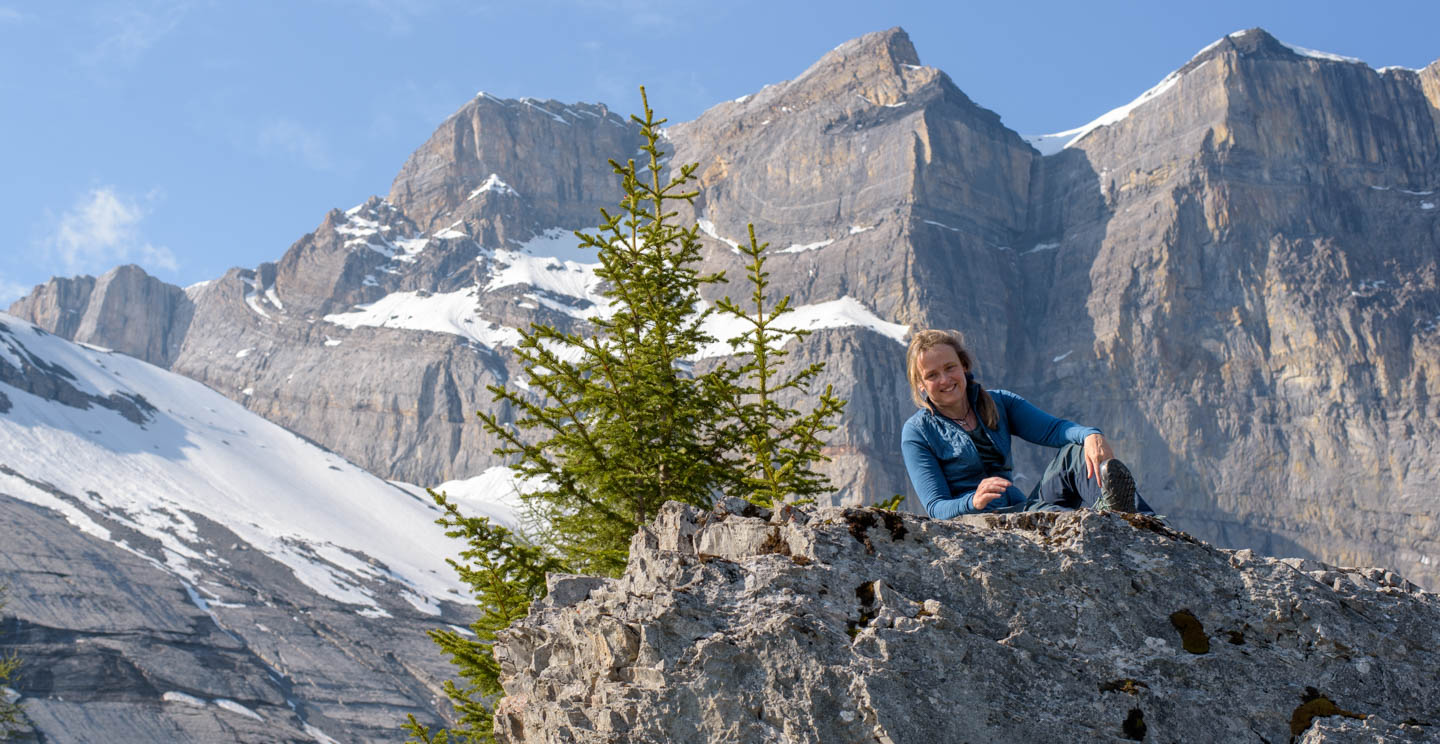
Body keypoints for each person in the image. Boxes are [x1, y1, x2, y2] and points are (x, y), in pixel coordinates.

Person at [900, 329, 1153, 519]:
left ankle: (1140, 524)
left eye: (950, 367)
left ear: (964, 366)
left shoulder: (1000, 402)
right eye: (932, 375)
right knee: (1059, 518)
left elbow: (1054, 430)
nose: (945, 379)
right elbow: (935, 507)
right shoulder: (918, 432)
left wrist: (1090, 435)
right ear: (920, 385)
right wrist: (972, 501)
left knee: (1075, 453)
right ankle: (1110, 522)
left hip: (1021, 508)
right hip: (979, 521)